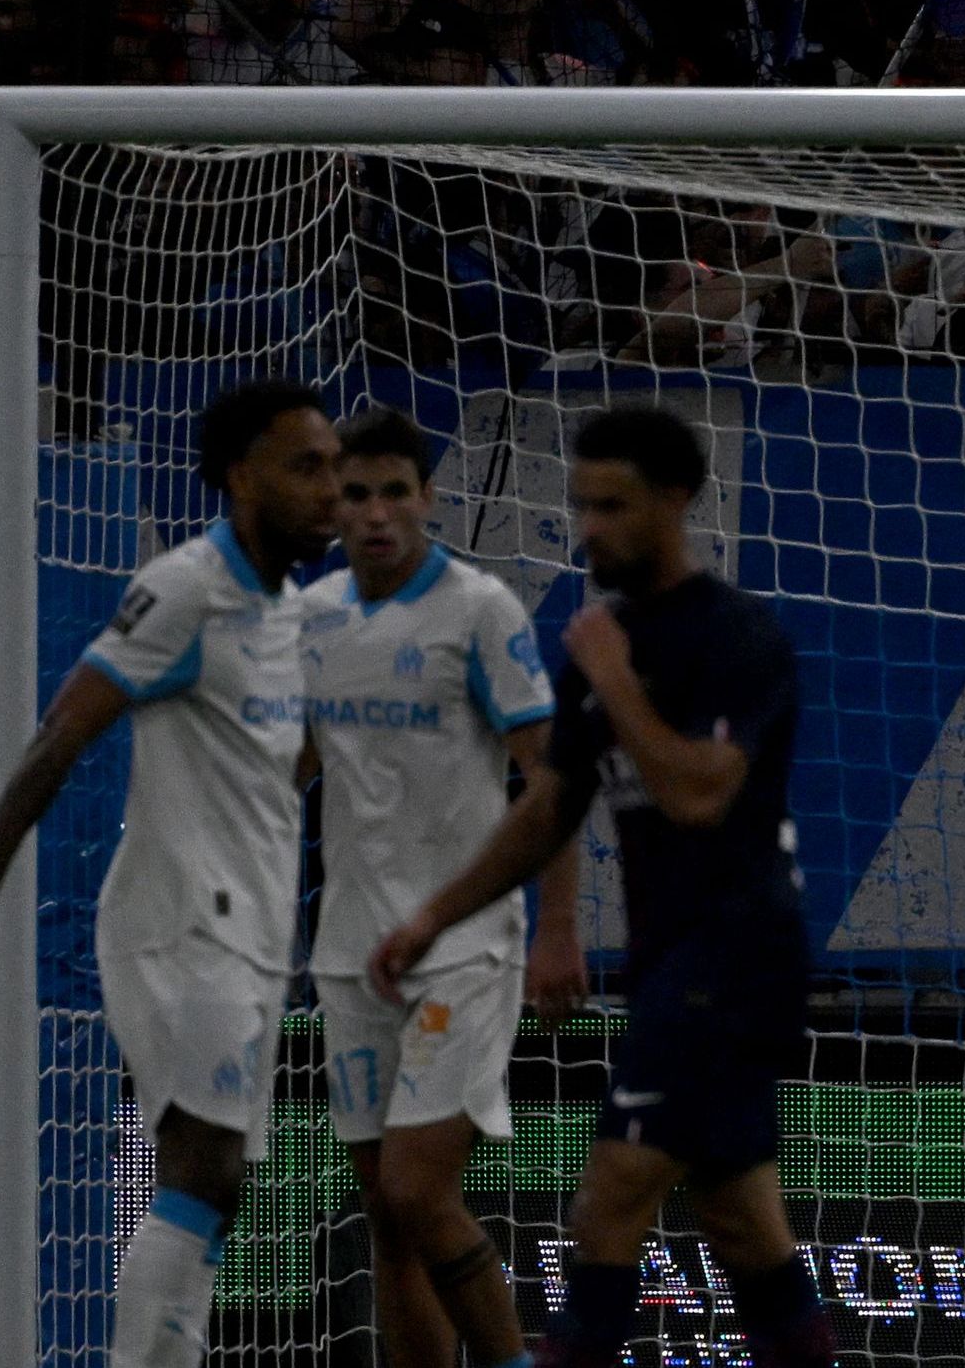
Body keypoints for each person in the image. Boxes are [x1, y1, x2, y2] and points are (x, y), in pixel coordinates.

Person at [370, 405, 828, 1368]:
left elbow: (700, 793)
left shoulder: (735, 636)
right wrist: (432, 917)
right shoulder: (601, 641)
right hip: (673, 959)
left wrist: (616, 680)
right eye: (582, 505)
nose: (590, 528)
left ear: (677, 499)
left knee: (608, 1197)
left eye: (613, 506)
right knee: (742, 1219)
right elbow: (548, 808)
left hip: (734, 955)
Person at [0, 381, 346, 1368]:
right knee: (201, 1163)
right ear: (241, 477)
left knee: (217, 1181)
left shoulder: (291, 611)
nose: (330, 486)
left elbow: (284, 762)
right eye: (305, 465)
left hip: (250, 926)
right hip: (180, 919)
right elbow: (61, 732)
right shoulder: (186, 589)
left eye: (333, 464)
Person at [303, 412, 564, 1368]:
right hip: (350, 949)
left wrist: (558, 929)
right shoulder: (311, 617)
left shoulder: (481, 610)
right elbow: (288, 769)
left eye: (394, 492)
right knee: (386, 1214)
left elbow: (552, 779)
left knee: (419, 1190)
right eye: (356, 494)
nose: (376, 513)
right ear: (333, 506)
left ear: (428, 497)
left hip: (465, 944)